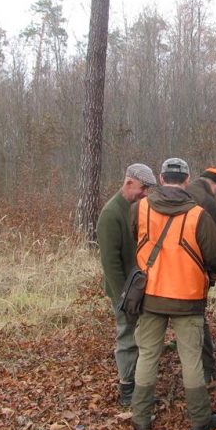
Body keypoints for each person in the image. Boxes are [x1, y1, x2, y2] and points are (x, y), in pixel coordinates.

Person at [130, 158, 216, 430]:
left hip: (149, 295)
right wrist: (212, 275)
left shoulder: (139, 209)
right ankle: (199, 420)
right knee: (191, 359)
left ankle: (140, 418)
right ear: (186, 180)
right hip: (188, 298)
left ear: (161, 179)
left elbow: (133, 241)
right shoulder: (199, 215)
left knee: (147, 356)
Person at [96, 163, 158, 407]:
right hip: (124, 290)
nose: (145, 193)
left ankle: (139, 384)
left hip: (140, 287)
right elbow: (110, 262)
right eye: (143, 188)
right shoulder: (111, 214)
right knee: (126, 337)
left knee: (141, 336)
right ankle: (127, 388)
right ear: (129, 182)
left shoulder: (138, 208)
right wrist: (123, 297)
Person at [186, 166, 216, 383]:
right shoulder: (210, 204)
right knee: (198, 320)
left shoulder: (182, 190)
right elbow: (213, 247)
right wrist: (212, 276)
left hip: (164, 273)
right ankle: (207, 369)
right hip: (195, 272)